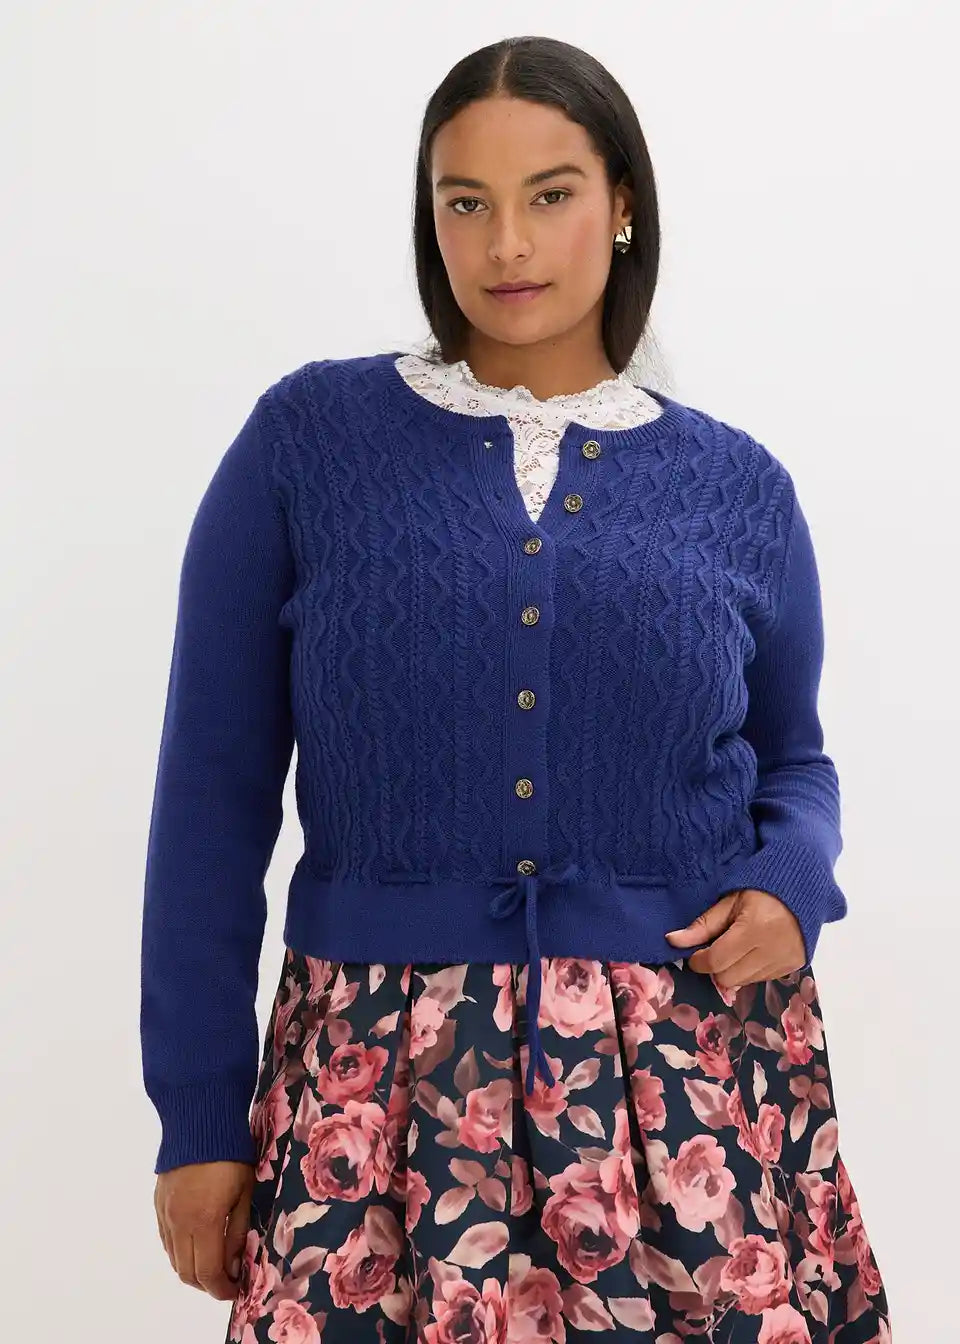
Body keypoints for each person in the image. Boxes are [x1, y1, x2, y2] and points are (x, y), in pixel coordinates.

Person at [141, 34, 892, 1344]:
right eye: (465, 202)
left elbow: (794, 761)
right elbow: (210, 798)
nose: (507, 245)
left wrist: (790, 882)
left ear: (623, 203)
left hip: (683, 1090)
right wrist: (199, 1118)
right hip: (374, 1092)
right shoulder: (307, 447)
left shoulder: (739, 489)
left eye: (550, 194)